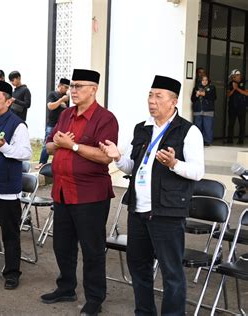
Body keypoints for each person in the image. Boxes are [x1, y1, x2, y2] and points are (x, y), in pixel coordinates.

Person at [100, 75, 204, 315]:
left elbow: (198, 172)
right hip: (138, 209)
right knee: (138, 266)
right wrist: (117, 156)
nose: (152, 101)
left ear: (173, 101)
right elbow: (131, 167)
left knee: (171, 271)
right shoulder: (142, 128)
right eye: (150, 95)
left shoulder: (188, 131)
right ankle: (144, 311)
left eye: (158, 96)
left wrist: (175, 163)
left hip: (167, 211)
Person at [40, 69, 118, 316]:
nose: (73, 90)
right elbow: (50, 146)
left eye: (78, 86)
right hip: (62, 191)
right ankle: (66, 287)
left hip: (90, 195)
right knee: (62, 245)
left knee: (92, 248)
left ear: (93, 89)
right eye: (71, 86)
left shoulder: (105, 119)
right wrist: (60, 144)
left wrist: (72, 145)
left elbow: (105, 157)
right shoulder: (65, 115)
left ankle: (95, 297)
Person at [0, 80, 32, 290]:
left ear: (9, 102)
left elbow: (26, 153)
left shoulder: (18, 124)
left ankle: (11, 272)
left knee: (10, 234)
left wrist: (4, 148)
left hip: (6, 190)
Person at [36, 78, 70, 169]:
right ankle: (42, 162)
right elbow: (50, 106)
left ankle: (59, 162)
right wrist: (60, 101)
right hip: (52, 123)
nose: (67, 89)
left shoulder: (67, 98)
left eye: (68, 88)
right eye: (65, 87)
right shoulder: (53, 94)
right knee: (47, 142)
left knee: (62, 144)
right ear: (60, 86)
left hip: (62, 124)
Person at [191, 75, 216, 146]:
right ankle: (198, 141)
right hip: (198, 110)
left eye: (206, 80)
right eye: (203, 80)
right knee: (197, 127)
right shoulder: (196, 88)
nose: (204, 82)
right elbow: (193, 99)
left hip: (208, 110)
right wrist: (196, 95)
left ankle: (207, 141)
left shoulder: (212, 88)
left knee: (208, 127)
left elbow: (213, 97)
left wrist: (203, 94)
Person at [226, 69, 248, 145]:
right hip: (232, 107)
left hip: (242, 107)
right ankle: (230, 140)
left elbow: (246, 93)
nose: (234, 78)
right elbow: (228, 95)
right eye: (233, 77)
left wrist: (237, 88)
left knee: (242, 124)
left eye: (235, 76)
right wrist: (233, 89)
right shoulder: (230, 83)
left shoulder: (244, 83)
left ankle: (241, 140)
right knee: (231, 124)